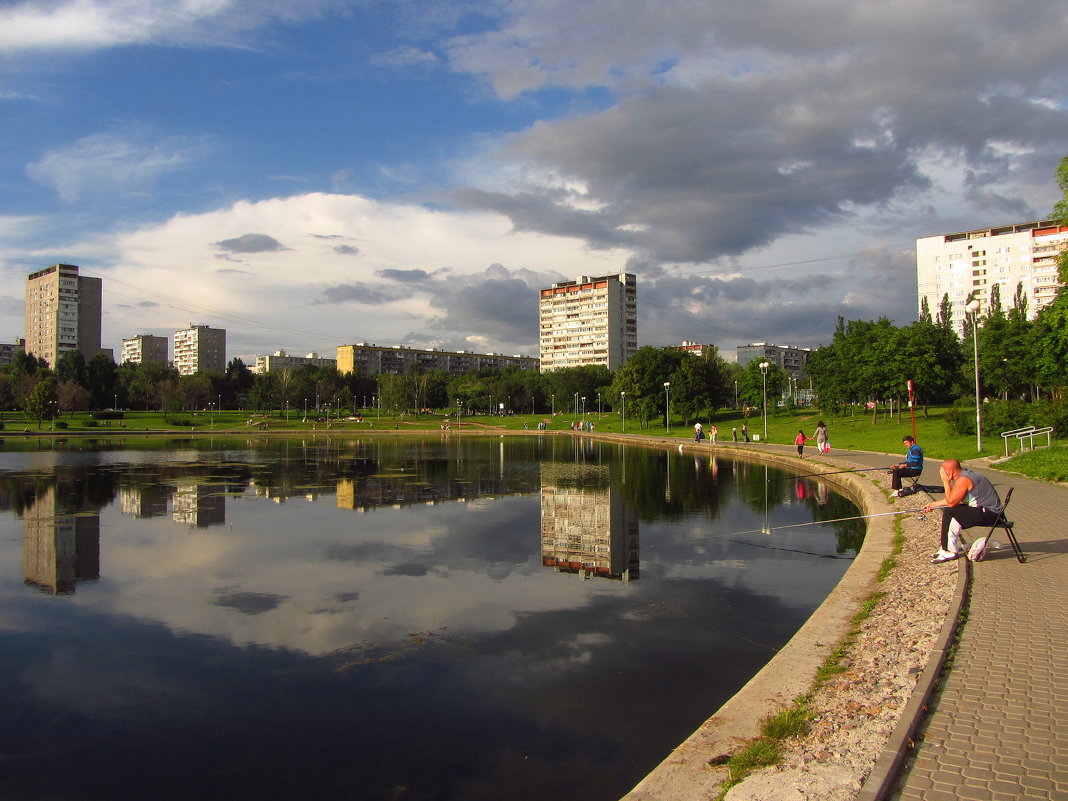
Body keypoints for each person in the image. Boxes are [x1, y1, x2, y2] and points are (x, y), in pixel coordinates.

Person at [921, 459, 1004, 563]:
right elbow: (954, 498)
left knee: (950, 511)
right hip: (987, 512)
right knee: (954, 512)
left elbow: (951, 503)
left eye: (943, 472)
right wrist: (933, 504)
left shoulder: (964, 480)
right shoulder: (964, 476)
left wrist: (945, 482)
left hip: (992, 515)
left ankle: (948, 551)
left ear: (950, 472)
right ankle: (947, 548)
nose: (941, 474)